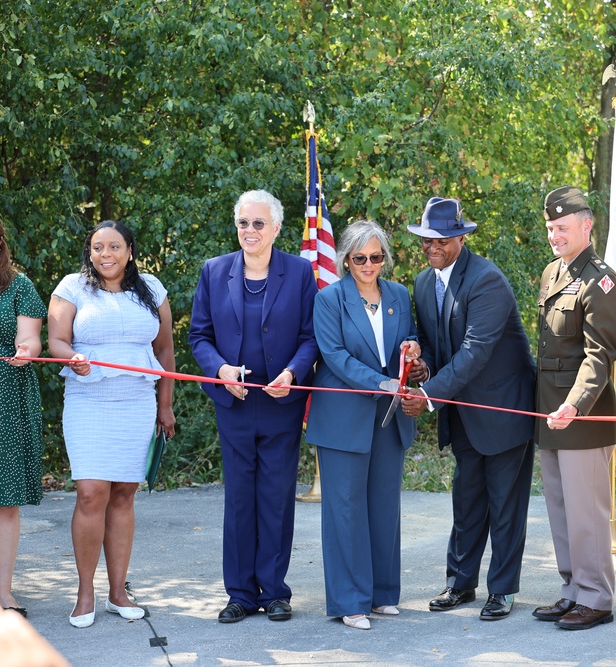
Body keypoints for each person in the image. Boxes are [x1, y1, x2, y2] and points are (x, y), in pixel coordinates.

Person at [400, 198, 536, 621]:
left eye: (441, 238)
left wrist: (428, 395)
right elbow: (436, 343)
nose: (431, 246)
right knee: (466, 500)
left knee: (505, 504)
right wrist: (422, 367)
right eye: (426, 238)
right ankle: (460, 584)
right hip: (461, 412)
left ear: (461, 237)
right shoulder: (423, 283)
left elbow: (476, 351)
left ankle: (502, 590)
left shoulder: (486, 279)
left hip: (503, 410)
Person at [189, 190, 318, 624]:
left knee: (276, 498)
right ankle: (241, 594)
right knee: (241, 500)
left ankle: (276, 591)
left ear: (277, 228)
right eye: (244, 223)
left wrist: (294, 374)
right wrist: (220, 369)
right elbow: (199, 336)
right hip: (235, 405)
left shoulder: (300, 273)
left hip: (281, 404)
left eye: (259, 223)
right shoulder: (214, 271)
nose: (250, 231)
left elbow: (310, 336)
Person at [47, 220, 176, 628]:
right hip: (89, 399)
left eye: (114, 246)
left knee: (123, 493)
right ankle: (85, 594)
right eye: (97, 247)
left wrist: (165, 405)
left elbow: (166, 348)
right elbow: (57, 341)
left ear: (129, 251)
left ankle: (117, 592)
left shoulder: (152, 289)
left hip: (137, 400)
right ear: (90, 251)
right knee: (90, 493)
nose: (105, 254)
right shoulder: (71, 287)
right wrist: (72, 358)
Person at [304, 220, 419, 631]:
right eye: (360, 258)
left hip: (388, 418)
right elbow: (334, 356)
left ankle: (383, 593)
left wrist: (413, 348)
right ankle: (350, 601)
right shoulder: (329, 299)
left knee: (384, 506)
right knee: (346, 510)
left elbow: (408, 337)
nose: (369, 264)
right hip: (343, 418)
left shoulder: (399, 295)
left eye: (376, 256)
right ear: (345, 260)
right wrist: (382, 382)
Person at [533, 186, 616, 630]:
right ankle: (573, 589)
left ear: (586, 226)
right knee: (561, 509)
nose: (555, 235)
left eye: (563, 227)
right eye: (551, 228)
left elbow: (599, 355)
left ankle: (596, 597)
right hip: (551, 414)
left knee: (587, 514)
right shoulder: (553, 272)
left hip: (583, 416)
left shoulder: (601, 281)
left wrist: (574, 405)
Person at [0, 213, 47, 619]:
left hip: (5, 398)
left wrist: (25, 351)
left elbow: (30, 338)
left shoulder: (19, 286)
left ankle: (5, 592)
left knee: (3, 501)